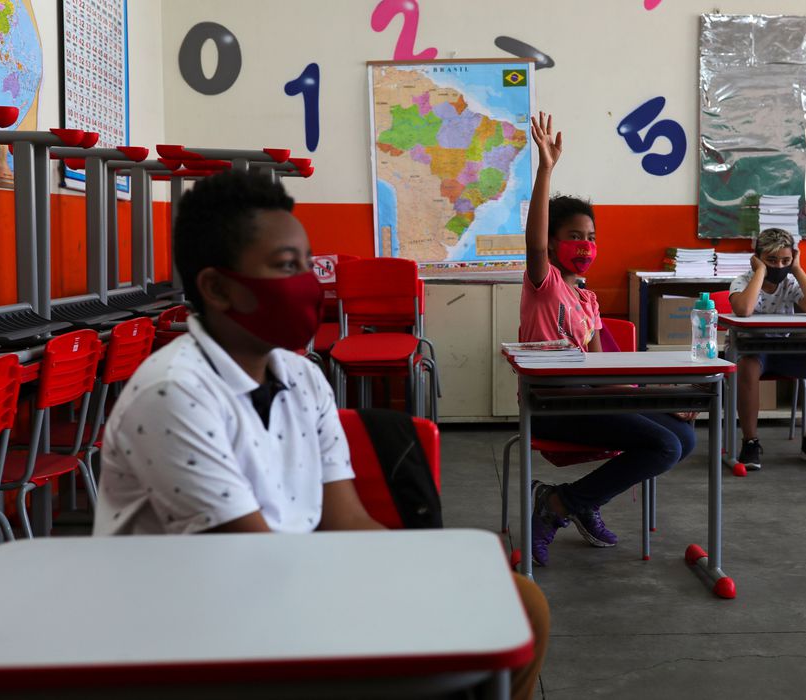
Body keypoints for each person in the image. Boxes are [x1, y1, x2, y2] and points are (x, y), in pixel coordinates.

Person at [92, 171, 548, 700]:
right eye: (287, 267)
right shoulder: (174, 396)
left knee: (520, 606)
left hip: (287, 587)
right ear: (217, 288)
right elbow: (253, 562)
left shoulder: (301, 375)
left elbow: (345, 519)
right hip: (199, 632)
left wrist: (439, 561)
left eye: (308, 265)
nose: (309, 284)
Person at [519, 112, 696, 567]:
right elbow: (535, 246)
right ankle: (558, 506)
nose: (585, 245)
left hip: (590, 401)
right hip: (552, 406)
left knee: (684, 436)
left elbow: (605, 374)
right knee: (665, 445)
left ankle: (575, 500)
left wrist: (659, 399)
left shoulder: (589, 300)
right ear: (555, 243)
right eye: (573, 236)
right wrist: (546, 169)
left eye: (591, 237)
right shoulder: (545, 284)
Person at [728, 227, 806, 470]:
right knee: (746, 367)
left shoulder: (790, 282)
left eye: (785, 260)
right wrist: (760, 273)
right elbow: (744, 309)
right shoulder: (743, 281)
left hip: (784, 349)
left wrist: (797, 270)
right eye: (771, 260)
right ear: (757, 259)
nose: (779, 266)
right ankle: (750, 442)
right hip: (752, 351)